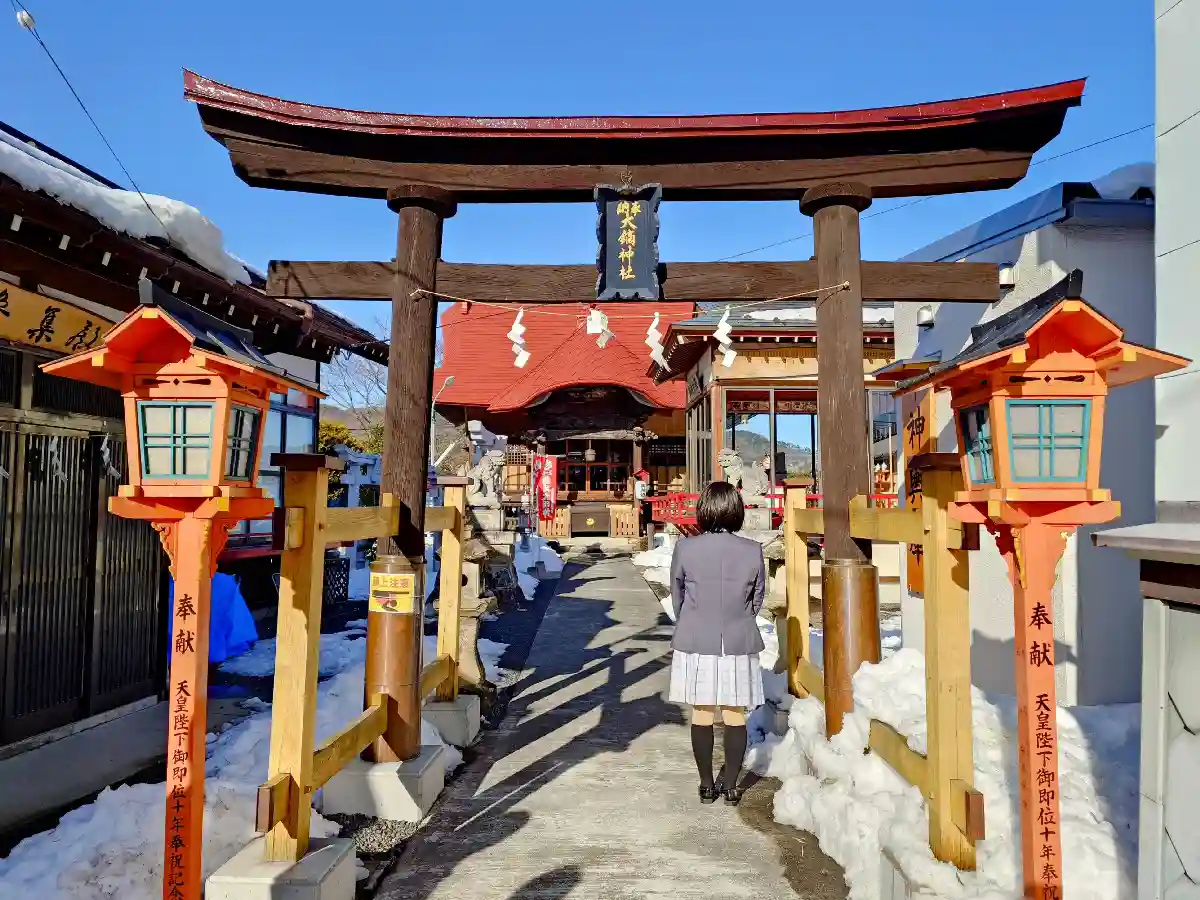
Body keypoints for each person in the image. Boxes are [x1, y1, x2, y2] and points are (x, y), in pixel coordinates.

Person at [668, 481, 766, 805]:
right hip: (738, 638)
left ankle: (706, 783)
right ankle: (733, 786)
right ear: (736, 511)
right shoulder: (752, 550)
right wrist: (738, 617)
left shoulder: (686, 548)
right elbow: (757, 598)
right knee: (735, 713)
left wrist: (692, 619)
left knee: (702, 712)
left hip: (697, 637)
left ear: (704, 510)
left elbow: (678, 594)